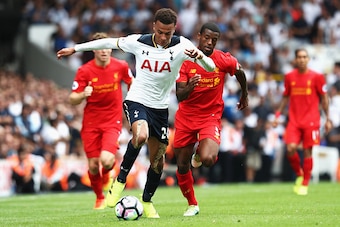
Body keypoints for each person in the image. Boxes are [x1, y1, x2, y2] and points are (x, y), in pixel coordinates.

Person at [57, 8, 215, 218]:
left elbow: (211, 67)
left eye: (168, 33)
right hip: (137, 100)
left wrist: (200, 58)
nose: (163, 37)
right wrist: (75, 49)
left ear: (174, 30)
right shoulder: (138, 42)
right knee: (140, 135)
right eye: (160, 32)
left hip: (160, 108)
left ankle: (147, 201)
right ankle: (119, 181)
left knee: (157, 162)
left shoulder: (183, 45)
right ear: (153, 27)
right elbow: (109, 42)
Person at [173, 22, 248, 216]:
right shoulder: (185, 60)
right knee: (182, 165)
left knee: (207, 158)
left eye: (214, 40)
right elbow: (180, 95)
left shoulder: (223, 60)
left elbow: (240, 72)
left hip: (210, 116)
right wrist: (191, 86)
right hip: (186, 116)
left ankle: (199, 153)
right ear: (199, 36)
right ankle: (192, 204)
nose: (209, 42)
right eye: (206, 38)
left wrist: (244, 95)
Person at [65, 32, 133, 209]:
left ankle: (107, 176)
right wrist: (82, 94)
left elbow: (132, 83)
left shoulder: (121, 66)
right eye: (100, 47)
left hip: (112, 121)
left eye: (107, 47)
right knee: (94, 165)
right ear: (93, 50)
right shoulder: (84, 71)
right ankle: (99, 197)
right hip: (91, 123)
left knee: (107, 161)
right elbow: (72, 98)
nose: (104, 51)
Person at [272, 48, 332, 195]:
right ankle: (300, 173)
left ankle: (305, 183)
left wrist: (328, 118)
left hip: (311, 121)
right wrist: (278, 114)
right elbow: (286, 97)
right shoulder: (289, 77)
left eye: (304, 57)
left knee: (307, 151)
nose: (302, 59)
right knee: (290, 148)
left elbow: (324, 98)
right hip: (294, 120)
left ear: (308, 59)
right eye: (299, 57)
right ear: (295, 59)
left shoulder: (317, 77)